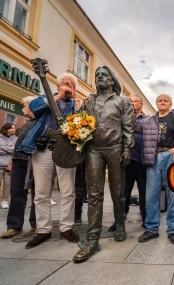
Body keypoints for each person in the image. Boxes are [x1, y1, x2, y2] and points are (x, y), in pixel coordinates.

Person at [73, 66, 135, 262]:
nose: (100, 77)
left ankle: (120, 223)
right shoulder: (88, 101)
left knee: (118, 191)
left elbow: (128, 128)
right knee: (94, 194)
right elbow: (79, 124)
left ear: (112, 80)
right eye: (97, 75)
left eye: (104, 75)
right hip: (93, 150)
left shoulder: (122, 102)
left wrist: (127, 149)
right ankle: (92, 239)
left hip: (115, 148)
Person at [17, 73, 82, 249]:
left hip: (66, 151)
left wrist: (76, 103)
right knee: (41, 192)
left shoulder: (77, 104)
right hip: (42, 148)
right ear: (58, 84)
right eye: (65, 83)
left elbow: (82, 125)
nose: (69, 86)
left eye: (72, 84)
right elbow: (33, 109)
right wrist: (58, 96)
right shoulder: (45, 97)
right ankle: (44, 229)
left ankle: (66, 227)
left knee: (68, 191)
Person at [137, 94, 174, 244]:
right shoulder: (147, 121)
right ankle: (151, 228)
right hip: (153, 158)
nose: (162, 102)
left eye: (165, 101)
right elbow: (133, 127)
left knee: (173, 194)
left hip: (172, 157)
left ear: (170, 104)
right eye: (160, 101)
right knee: (151, 195)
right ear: (156, 104)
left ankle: (172, 229)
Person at [109, 95, 147, 231]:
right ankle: (119, 219)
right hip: (124, 161)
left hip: (141, 161)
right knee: (123, 192)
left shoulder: (147, 120)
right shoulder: (119, 117)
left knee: (144, 191)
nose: (131, 102)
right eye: (129, 100)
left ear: (141, 105)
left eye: (134, 101)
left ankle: (146, 218)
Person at [1, 96, 37, 238]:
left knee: (37, 194)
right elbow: (17, 145)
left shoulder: (40, 121)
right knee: (16, 192)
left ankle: (36, 225)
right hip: (18, 160)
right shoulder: (26, 124)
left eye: (24, 105)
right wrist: (11, 161)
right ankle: (14, 226)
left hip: (33, 161)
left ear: (33, 106)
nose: (22, 108)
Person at [0, 123, 17, 209]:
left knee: (7, 184)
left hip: (9, 165)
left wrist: (3, 147)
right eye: (12, 128)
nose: (14, 129)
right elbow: (11, 150)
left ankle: (4, 201)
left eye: (15, 128)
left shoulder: (16, 139)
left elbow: (15, 150)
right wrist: (9, 148)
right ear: (7, 129)